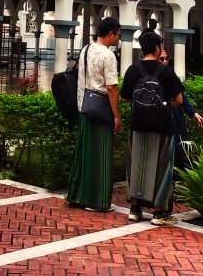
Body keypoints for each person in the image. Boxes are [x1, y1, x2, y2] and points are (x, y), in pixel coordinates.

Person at [120, 31, 184, 226]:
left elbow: (124, 97)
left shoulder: (133, 70)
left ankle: (135, 208)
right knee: (161, 165)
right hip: (162, 125)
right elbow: (179, 100)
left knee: (136, 162)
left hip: (138, 123)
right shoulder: (165, 71)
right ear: (157, 49)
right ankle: (159, 212)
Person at [65, 17, 121, 212]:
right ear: (111, 34)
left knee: (83, 153)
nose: (118, 39)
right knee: (100, 155)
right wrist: (116, 115)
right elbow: (112, 88)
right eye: (118, 35)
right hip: (100, 109)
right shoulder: (108, 56)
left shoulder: (85, 50)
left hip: (84, 106)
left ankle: (76, 194)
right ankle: (96, 200)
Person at [159, 50, 203, 171]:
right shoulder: (152, 75)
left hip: (175, 116)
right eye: (161, 59)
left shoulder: (170, 74)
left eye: (166, 58)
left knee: (179, 149)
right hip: (159, 118)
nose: (165, 61)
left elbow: (181, 97)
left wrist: (194, 113)